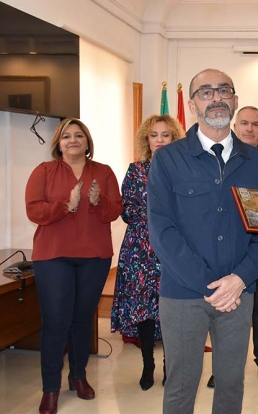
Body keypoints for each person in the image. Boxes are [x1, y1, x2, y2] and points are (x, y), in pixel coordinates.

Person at [148, 69, 258, 414]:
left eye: (224, 91)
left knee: (231, 384)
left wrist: (239, 280)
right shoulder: (167, 159)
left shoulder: (257, 162)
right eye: (206, 92)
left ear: (234, 100)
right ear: (192, 104)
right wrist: (212, 285)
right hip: (183, 295)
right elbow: (161, 231)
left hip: (238, 293)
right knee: (181, 385)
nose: (216, 98)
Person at [25, 118, 123, 414]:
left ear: (87, 141)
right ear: (58, 143)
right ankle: (50, 389)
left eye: (78, 135)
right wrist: (64, 205)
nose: (72, 140)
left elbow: (116, 209)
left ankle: (78, 377)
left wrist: (98, 201)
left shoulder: (103, 172)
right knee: (56, 322)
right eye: (66, 136)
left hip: (94, 256)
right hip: (53, 255)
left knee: (82, 319)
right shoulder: (43, 171)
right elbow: (33, 210)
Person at [207, 106, 258, 388]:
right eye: (245, 123)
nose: (250, 129)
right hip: (224, 248)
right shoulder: (219, 156)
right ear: (236, 126)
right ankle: (222, 367)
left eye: (256, 124)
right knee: (225, 309)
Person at [110, 114, 184, 391]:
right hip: (140, 248)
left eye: (166, 135)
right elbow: (127, 211)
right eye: (154, 135)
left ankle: (169, 365)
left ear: (175, 139)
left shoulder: (184, 170)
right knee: (144, 308)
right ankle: (147, 363)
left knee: (170, 306)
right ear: (147, 139)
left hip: (173, 247)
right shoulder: (135, 170)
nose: (160, 140)